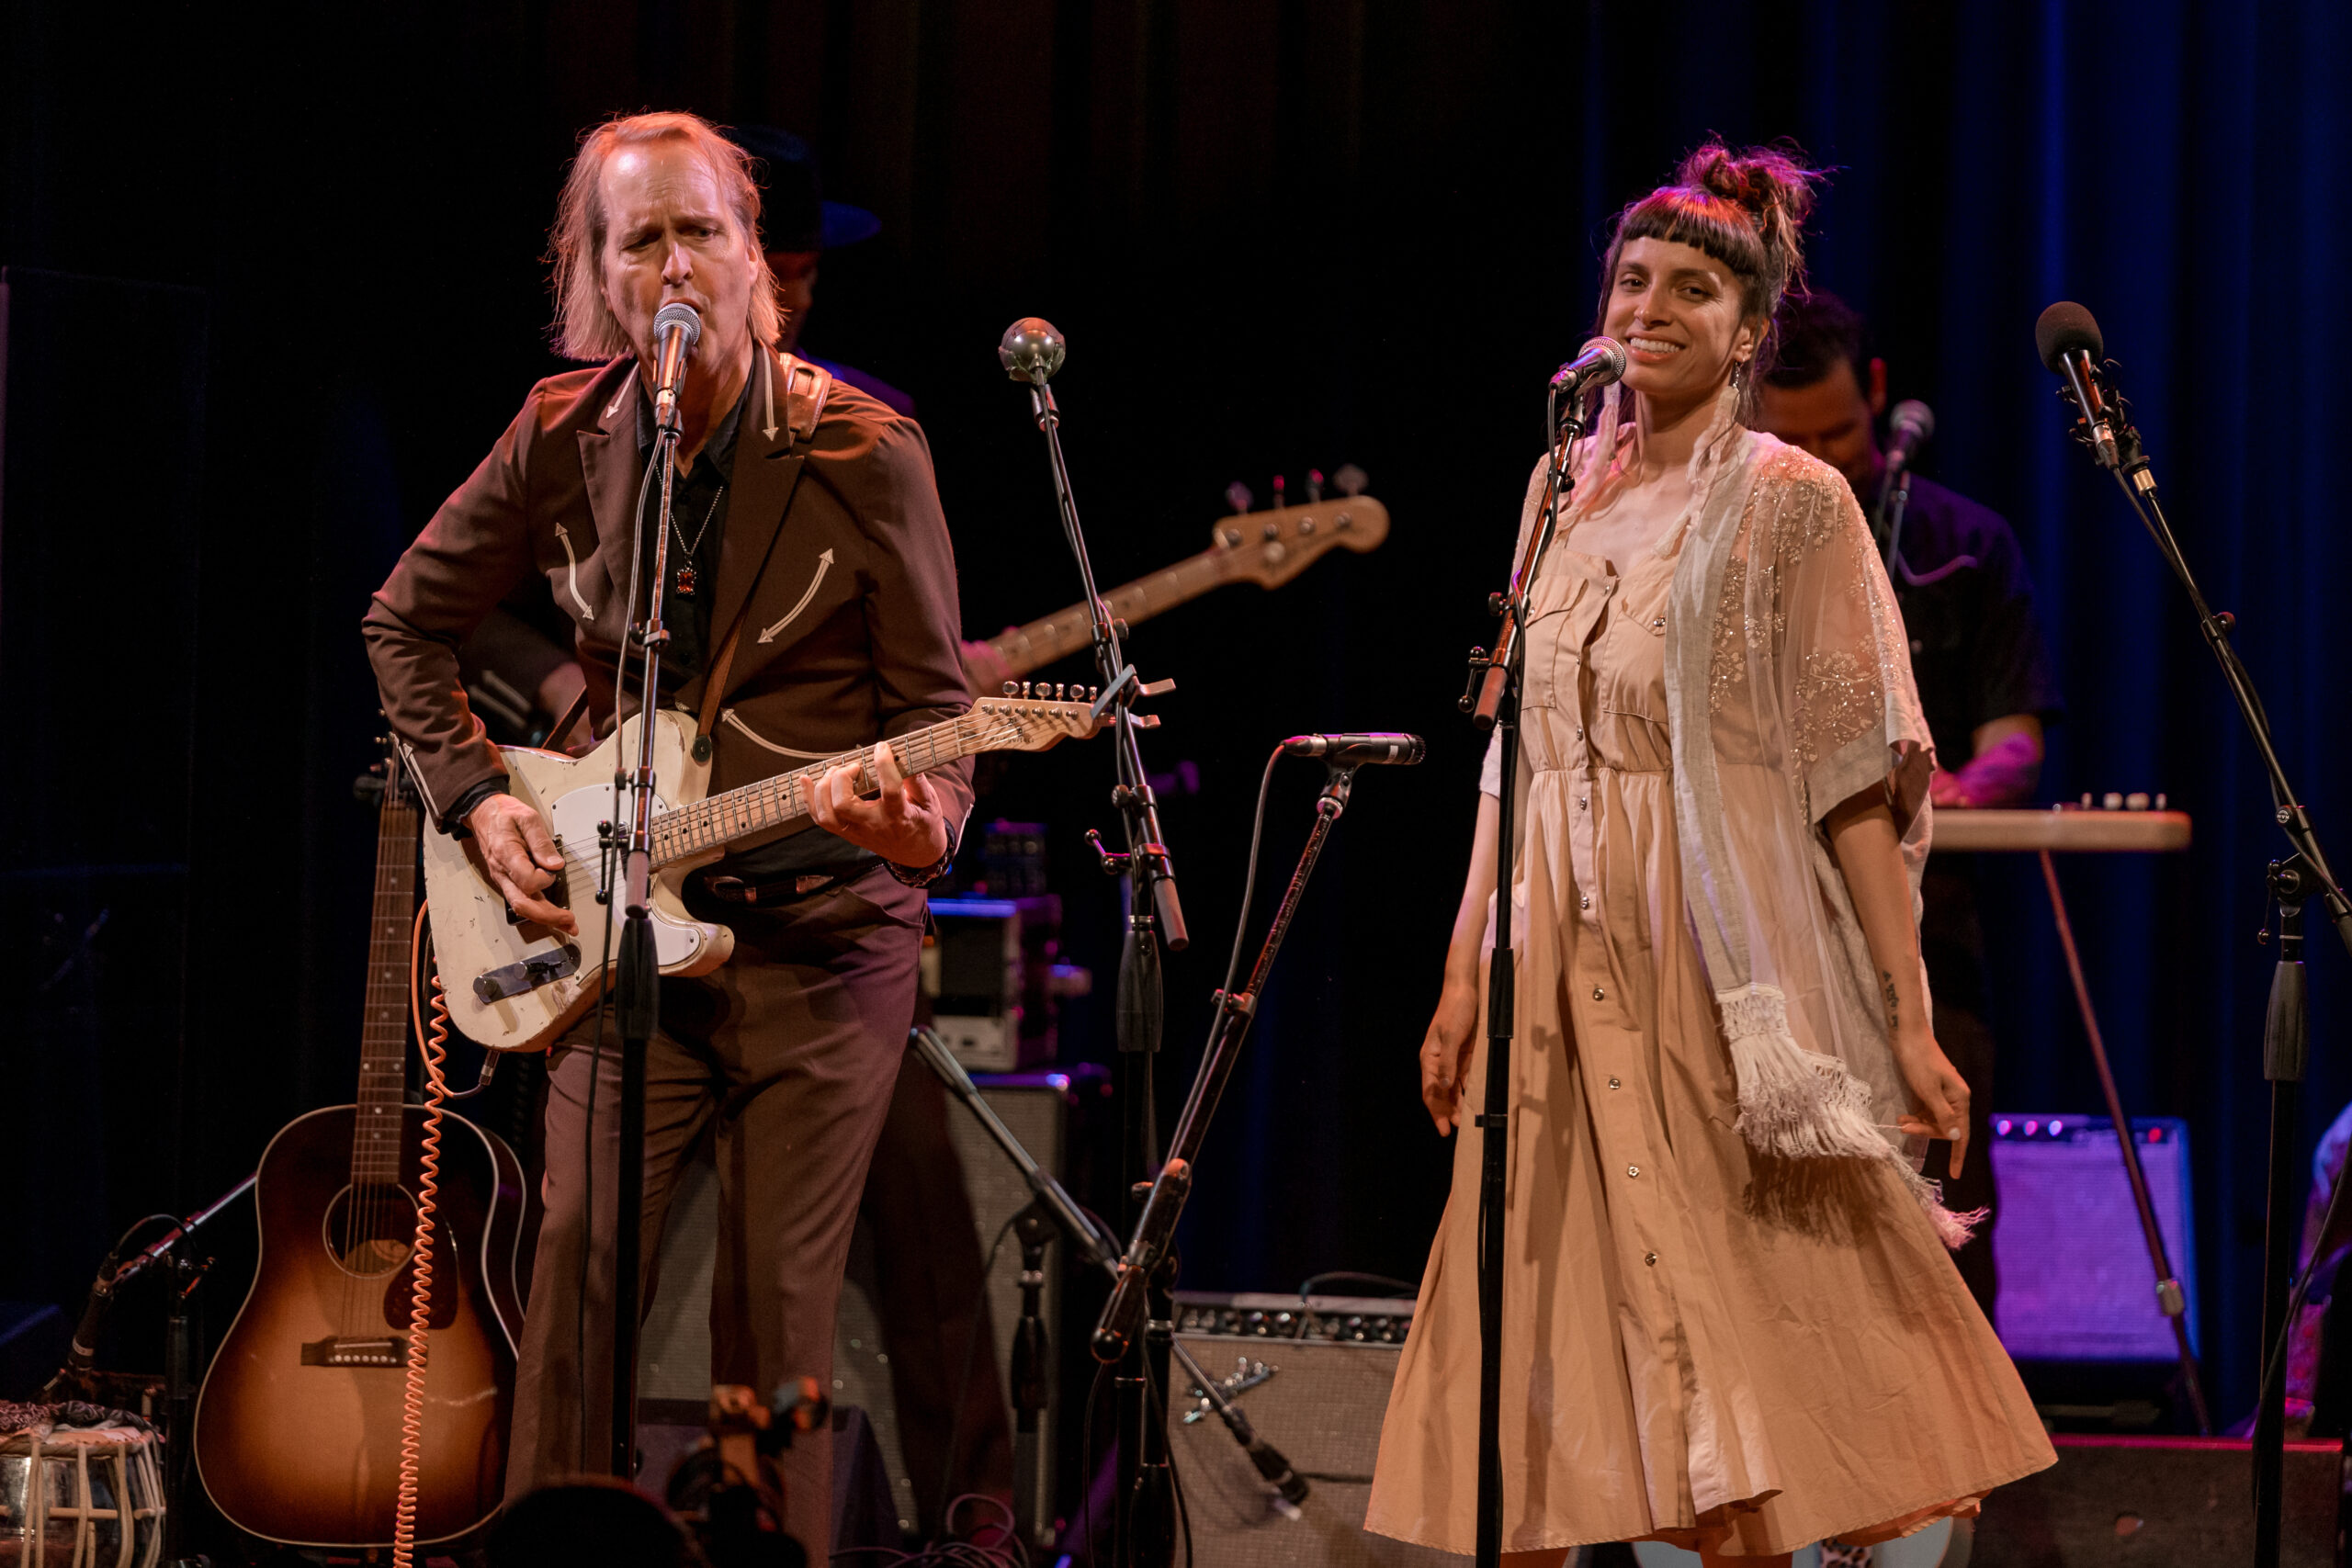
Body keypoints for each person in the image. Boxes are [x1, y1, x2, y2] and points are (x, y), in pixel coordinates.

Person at [1365, 144, 2054, 1563]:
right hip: (1551, 960)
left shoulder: (1793, 501)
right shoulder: (1558, 487)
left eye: (1694, 286)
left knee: (1734, 1347)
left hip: (1705, 958)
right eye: (1633, 277)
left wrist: (1907, 1010)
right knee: (1536, 1335)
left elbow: (1853, 774)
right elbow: (1520, 750)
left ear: (1751, 330)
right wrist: (1461, 971)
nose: (1652, 305)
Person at [362, 110, 972, 1551]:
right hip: (622, 930)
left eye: (705, 229)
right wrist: (484, 792)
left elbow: (942, 720)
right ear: (597, 278)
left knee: (778, 1315)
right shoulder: (564, 434)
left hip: (824, 944)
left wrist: (917, 829)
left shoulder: (864, 451)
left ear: (759, 259)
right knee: (572, 1278)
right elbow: (405, 619)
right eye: (644, 238)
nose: (679, 261)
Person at [1755, 290, 2064, 1317]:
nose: (1817, 458)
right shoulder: (1730, 551)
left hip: (1934, 946)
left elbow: (2013, 742)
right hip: (1760, 938)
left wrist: (1931, 795)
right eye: (1786, 437)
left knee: (1940, 1210)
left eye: (1837, 433)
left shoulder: (1960, 544)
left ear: (1878, 397)